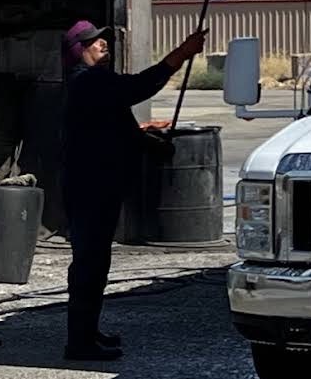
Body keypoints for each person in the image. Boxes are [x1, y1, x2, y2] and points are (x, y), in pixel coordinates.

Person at [60, 20, 208, 361]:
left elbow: (113, 122)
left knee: (94, 262)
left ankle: (87, 332)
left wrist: (143, 134)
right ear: (77, 51)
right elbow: (140, 87)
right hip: (91, 188)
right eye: (93, 42)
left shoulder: (91, 85)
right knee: (90, 263)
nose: (102, 44)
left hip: (93, 186)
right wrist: (182, 54)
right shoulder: (90, 81)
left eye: (102, 40)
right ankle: (79, 343)